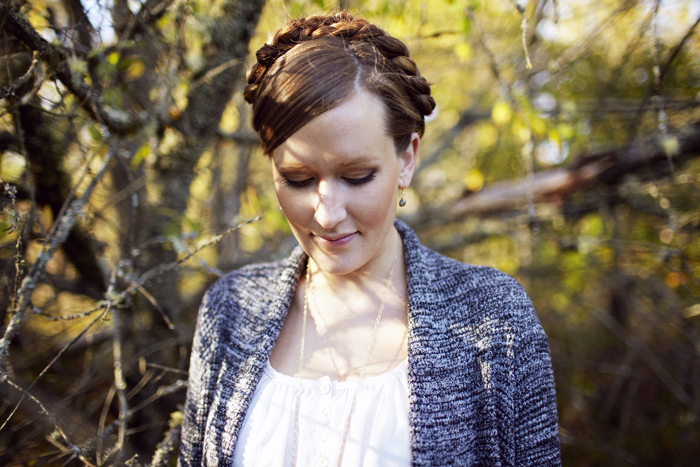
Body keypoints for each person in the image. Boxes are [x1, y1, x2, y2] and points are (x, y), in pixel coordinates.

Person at [178, 12, 560, 467]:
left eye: (357, 176)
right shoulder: (231, 309)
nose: (327, 213)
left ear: (407, 160)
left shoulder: (492, 318)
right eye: (298, 179)